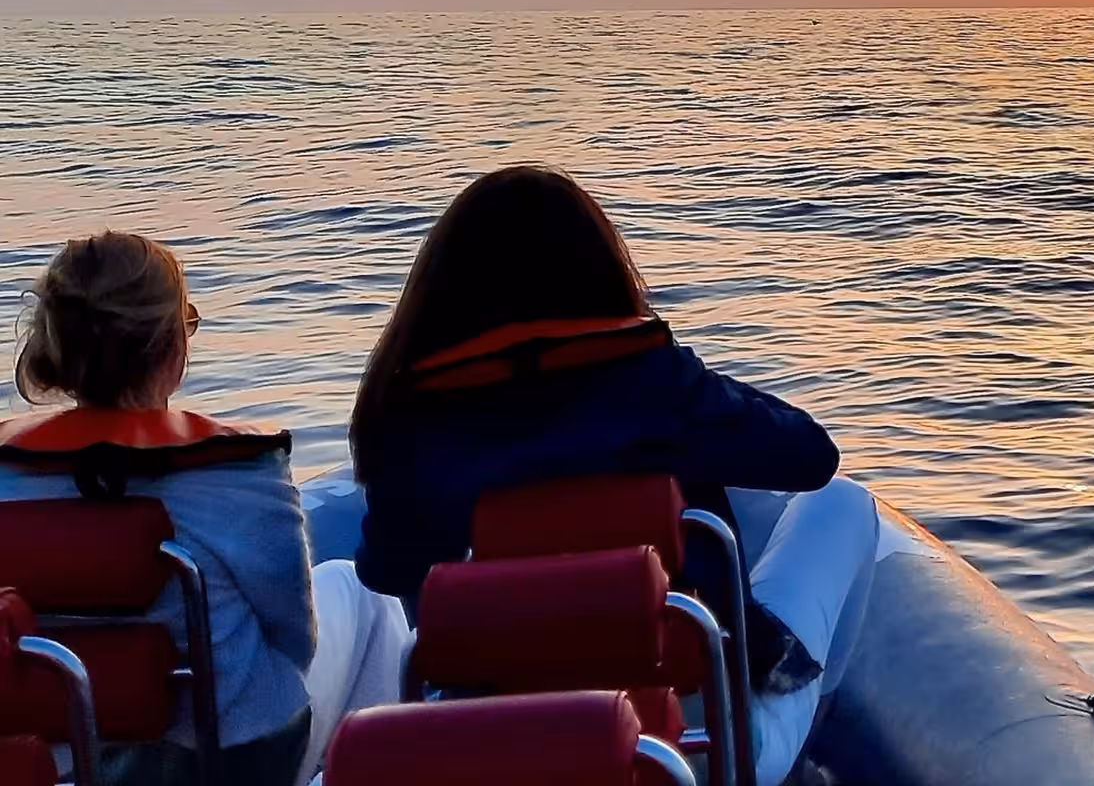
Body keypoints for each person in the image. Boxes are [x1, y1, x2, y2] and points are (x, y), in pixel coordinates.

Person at [349, 165, 879, 786]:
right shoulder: (658, 386)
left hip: (494, 748)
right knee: (842, 506)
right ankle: (803, 738)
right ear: (601, 273)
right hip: (696, 752)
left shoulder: (409, 415)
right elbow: (811, 456)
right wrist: (685, 388)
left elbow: (388, 568)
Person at [0, 232, 409, 786]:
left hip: (73, 753)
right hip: (236, 753)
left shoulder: (7, 476)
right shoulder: (239, 471)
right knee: (362, 593)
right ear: (172, 347)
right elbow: (296, 637)